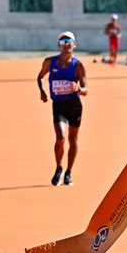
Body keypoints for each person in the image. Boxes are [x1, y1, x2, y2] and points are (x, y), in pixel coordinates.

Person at [37, 31, 88, 186]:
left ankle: (68, 173)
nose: (66, 44)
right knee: (60, 138)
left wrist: (77, 88)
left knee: (73, 139)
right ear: (58, 45)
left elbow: (86, 90)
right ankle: (59, 167)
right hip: (58, 105)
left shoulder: (78, 66)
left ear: (74, 44)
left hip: (74, 105)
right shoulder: (49, 62)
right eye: (63, 41)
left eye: (69, 41)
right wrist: (42, 91)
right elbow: (40, 76)